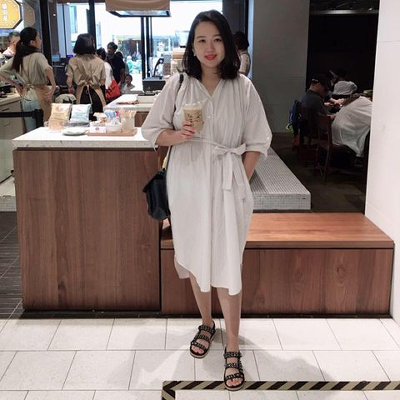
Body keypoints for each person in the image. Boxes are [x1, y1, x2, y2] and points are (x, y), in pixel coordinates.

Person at [142, 10, 272, 391]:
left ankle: (232, 345)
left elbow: (258, 140)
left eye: (216, 39)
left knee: (229, 262)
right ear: (192, 46)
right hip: (187, 182)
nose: (209, 47)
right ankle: (206, 322)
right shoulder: (179, 85)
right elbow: (151, 131)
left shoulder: (243, 87)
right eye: (201, 40)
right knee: (197, 257)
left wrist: (241, 179)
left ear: (227, 44)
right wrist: (177, 135)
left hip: (229, 183)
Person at [0, 27, 56, 131]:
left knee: (30, 131)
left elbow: (1, 71)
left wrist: (15, 85)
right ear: (32, 42)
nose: (40, 40)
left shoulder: (17, 58)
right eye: (38, 37)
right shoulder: (38, 56)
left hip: (26, 97)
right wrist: (53, 86)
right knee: (44, 129)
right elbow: (48, 69)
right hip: (40, 96)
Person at [66, 34, 106, 113]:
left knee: (81, 117)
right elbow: (102, 81)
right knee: (98, 118)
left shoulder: (73, 61)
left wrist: (71, 87)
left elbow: (69, 81)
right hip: (96, 94)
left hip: (81, 94)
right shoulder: (99, 61)